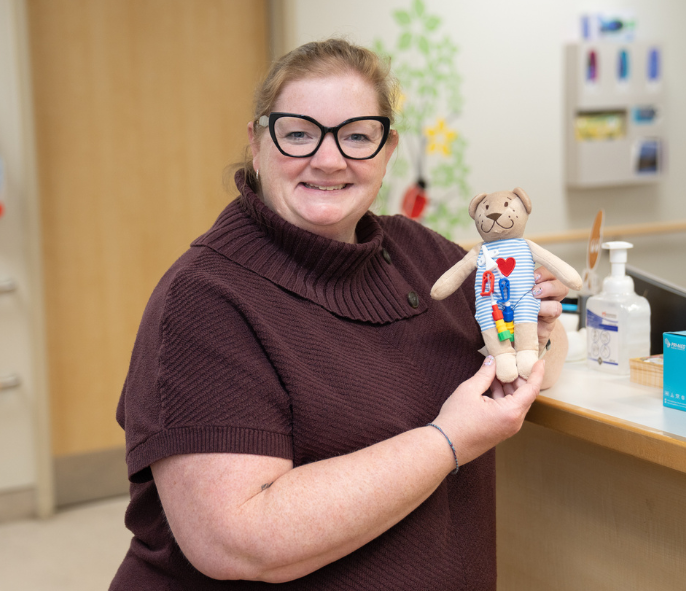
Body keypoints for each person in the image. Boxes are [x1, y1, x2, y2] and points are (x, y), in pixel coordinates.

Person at [110, 38, 570, 590]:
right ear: (257, 143)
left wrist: (539, 331)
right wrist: (447, 441)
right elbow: (237, 540)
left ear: (387, 148)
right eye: (299, 133)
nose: (329, 160)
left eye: (356, 136)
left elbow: (545, 364)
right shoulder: (204, 300)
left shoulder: (420, 254)